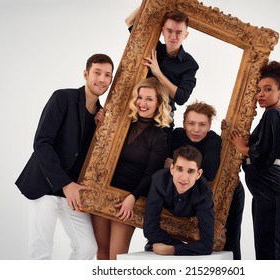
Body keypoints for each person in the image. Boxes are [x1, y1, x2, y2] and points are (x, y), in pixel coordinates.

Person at [15, 53, 114, 259]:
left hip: (73, 193)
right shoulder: (63, 98)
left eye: (107, 75)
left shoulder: (103, 118)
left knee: (87, 247)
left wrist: (100, 131)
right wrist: (66, 184)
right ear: (86, 74)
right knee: (41, 250)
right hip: (44, 184)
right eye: (97, 72)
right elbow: (41, 143)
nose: (102, 79)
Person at [91, 77, 172, 260]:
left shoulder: (159, 136)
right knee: (101, 253)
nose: (142, 103)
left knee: (116, 257)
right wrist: (101, 126)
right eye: (140, 97)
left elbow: (151, 174)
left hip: (129, 199)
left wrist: (132, 198)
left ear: (158, 102)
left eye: (149, 99)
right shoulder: (122, 124)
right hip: (103, 193)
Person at [228, 60, 280, 260]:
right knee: (269, 248)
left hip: (272, 190)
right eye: (258, 90)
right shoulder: (270, 116)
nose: (261, 94)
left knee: (269, 251)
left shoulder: (274, 114)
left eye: (268, 89)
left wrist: (242, 148)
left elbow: (266, 153)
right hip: (266, 191)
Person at [168, 101, 245, 259]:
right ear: (184, 123)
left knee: (229, 241)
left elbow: (209, 173)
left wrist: (177, 167)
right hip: (193, 194)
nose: (196, 129)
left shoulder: (213, 140)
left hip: (228, 191)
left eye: (202, 124)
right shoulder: (177, 135)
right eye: (191, 123)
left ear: (210, 125)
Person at [125, 6, 199, 128]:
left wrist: (158, 72)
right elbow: (129, 21)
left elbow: (181, 98)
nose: (173, 36)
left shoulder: (190, 64)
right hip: (138, 110)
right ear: (163, 31)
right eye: (169, 31)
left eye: (179, 32)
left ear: (186, 35)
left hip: (163, 119)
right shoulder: (152, 46)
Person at [143, 145, 214, 255]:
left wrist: (172, 249)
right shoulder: (159, 180)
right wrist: (186, 247)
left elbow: (207, 246)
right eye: (179, 169)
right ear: (171, 169)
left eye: (190, 171)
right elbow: (149, 230)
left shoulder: (203, 192)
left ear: (198, 174)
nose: (184, 178)